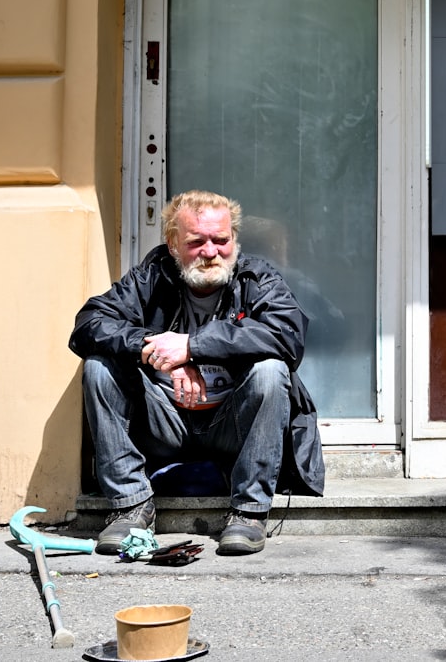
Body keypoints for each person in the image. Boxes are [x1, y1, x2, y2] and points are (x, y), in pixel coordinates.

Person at [70, 190, 325, 556]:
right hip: (164, 422)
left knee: (271, 370)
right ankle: (130, 505)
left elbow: (286, 335)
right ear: (173, 244)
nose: (211, 252)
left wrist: (191, 346)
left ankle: (248, 513)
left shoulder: (257, 278)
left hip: (231, 425)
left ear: (234, 240)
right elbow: (89, 324)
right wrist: (156, 348)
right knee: (99, 367)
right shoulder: (151, 277)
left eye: (221, 240)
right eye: (197, 242)